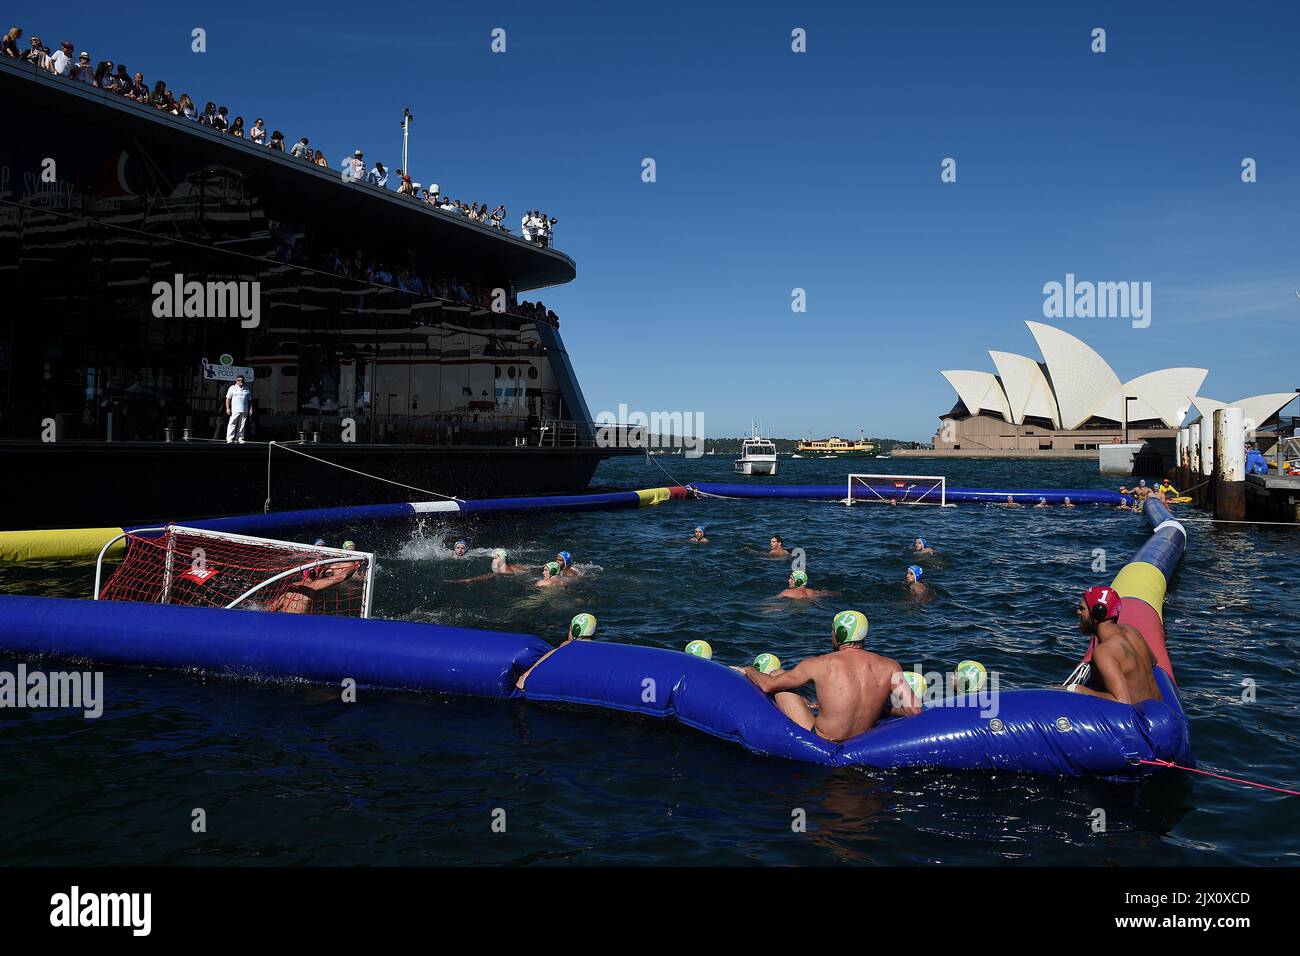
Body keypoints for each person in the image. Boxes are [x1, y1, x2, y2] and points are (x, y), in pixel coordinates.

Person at [738, 610, 922, 742]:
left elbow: (768, 686)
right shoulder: (890, 666)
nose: (831, 634)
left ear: (840, 633)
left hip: (823, 738)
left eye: (832, 630)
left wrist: (749, 670)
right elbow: (914, 710)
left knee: (778, 674)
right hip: (861, 740)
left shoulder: (820, 664)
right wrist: (884, 710)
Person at [1063, 586, 1162, 706]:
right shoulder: (1132, 631)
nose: (1078, 612)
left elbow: (1122, 701)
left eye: (1082, 608)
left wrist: (1076, 689)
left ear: (1097, 613)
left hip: (1137, 719)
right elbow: (1153, 661)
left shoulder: (1104, 652)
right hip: (1159, 708)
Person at [516, 613, 598, 690]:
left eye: (569, 629)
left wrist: (526, 675)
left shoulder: (568, 644)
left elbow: (550, 654)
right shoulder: (598, 647)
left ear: (574, 631)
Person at [224, 374, 251, 444]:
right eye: (239, 380)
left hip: (244, 409)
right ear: (236, 381)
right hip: (234, 410)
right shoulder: (232, 388)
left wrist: (251, 409)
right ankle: (229, 438)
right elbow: (228, 399)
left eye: (242, 380)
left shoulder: (247, 388)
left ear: (244, 381)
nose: (240, 382)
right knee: (232, 424)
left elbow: (250, 400)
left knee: (242, 425)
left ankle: (239, 438)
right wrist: (227, 408)